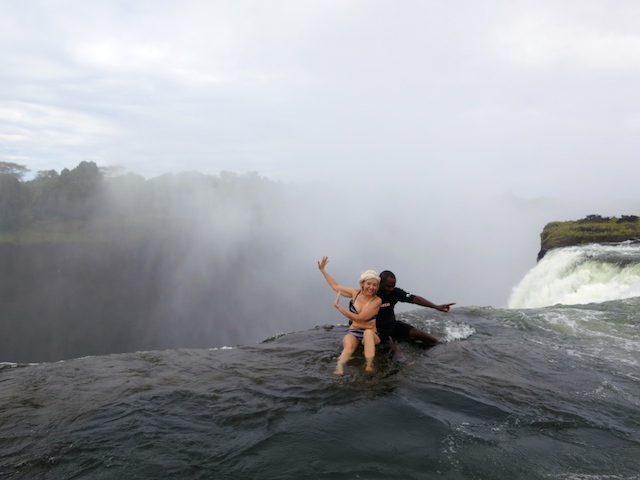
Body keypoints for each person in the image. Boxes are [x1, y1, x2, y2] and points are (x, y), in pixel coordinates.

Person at [318, 256, 382, 375]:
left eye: (374, 285)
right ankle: (339, 367)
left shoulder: (377, 301)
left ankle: (369, 365)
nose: (371, 287)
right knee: (348, 346)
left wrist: (339, 307)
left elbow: (359, 318)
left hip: (371, 333)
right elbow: (336, 287)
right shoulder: (354, 293)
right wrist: (323, 270)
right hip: (354, 331)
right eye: (369, 284)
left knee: (367, 333)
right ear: (362, 283)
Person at [377, 270, 455, 352]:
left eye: (393, 286)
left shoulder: (395, 292)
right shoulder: (372, 294)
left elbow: (415, 299)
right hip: (378, 329)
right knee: (394, 350)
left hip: (392, 325)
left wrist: (436, 306)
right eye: (388, 286)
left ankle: (449, 346)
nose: (391, 289)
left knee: (421, 335)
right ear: (380, 283)